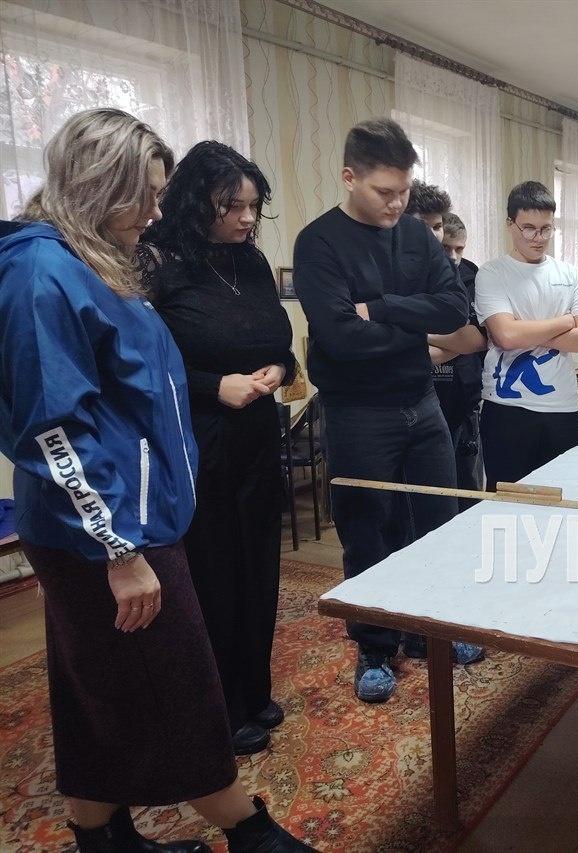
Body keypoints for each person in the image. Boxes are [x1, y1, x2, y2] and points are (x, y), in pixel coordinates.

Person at [0, 109, 315, 852]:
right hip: (108, 530)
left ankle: (101, 833)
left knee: (97, 686)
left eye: (158, 193)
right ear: (92, 184)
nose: (153, 210)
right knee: (180, 683)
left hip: (130, 515)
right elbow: (54, 431)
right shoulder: (43, 273)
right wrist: (119, 548)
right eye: (140, 194)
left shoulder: (94, 258)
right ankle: (249, 830)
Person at [292, 118, 483, 705]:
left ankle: (431, 629)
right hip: (357, 411)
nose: (397, 203)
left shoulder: (417, 236)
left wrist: (378, 308)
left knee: (438, 520)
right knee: (367, 527)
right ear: (350, 177)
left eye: (403, 191)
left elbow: (454, 311)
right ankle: (375, 645)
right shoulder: (319, 243)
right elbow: (339, 336)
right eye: (384, 192)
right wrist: (411, 326)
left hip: (421, 404)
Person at [140, 141, 295, 756]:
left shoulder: (248, 261)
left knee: (258, 567)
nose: (247, 218)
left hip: (256, 437)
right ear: (193, 201)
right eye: (232, 206)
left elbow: (279, 343)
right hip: (196, 442)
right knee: (213, 574)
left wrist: (279, 371)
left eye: (254, 206)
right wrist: (213, 387)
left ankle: (252, 690)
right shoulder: (157, 262)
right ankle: (218, 708)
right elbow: (141, 368)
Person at [475, 181, 578, 490]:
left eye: (546, 229)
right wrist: (565, 321)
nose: (538, 238)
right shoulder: (492, 273)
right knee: (507, 498)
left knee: (558, 498)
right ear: (510, 224)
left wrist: (525, 330)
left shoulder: (568, 274)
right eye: (529, 228)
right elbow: (505, 336)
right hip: (506, 407)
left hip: (563, 406)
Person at [430, 212, 487, 508]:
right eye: (446, 248)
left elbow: (474, 339)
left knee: (468, 486)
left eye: (459, 249)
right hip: (425, 397)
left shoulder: (472, 277)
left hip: (464, 395)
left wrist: (419, 335)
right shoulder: (413, 276)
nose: (453, 256)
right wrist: (454, 342)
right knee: (432, 491)